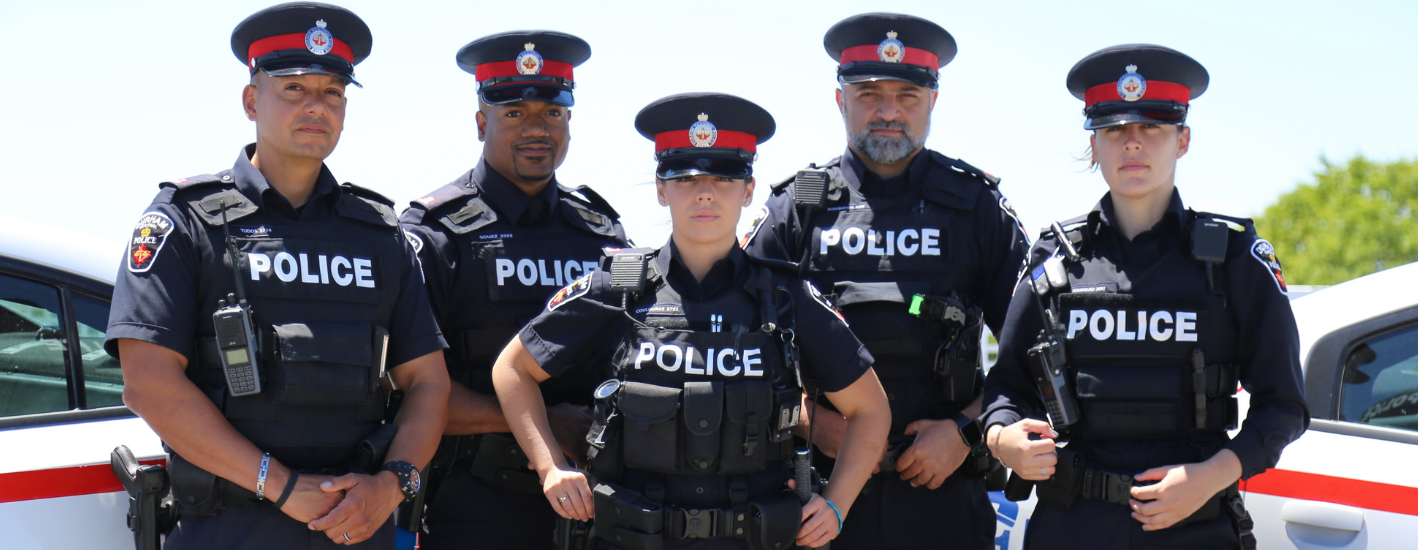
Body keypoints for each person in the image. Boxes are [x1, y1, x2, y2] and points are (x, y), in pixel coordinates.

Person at [105, 3, 450, 548]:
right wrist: (282, 486)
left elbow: (429, 382)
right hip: (230, 528)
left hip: (358, 527)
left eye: (332, 91)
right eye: (294, 88)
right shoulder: (185, 220)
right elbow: (148, 384)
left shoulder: (380, 235)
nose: (317, 106)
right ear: (251, 101)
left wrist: (393, 484)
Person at [492, 92, 892, 550]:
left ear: (748, 190)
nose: (704, 192)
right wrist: (550, 468)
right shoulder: (620, 288)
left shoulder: (786, 298)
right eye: (685, 177)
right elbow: (513, 369)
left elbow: (871, 409)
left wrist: (836, 505)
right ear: (662, 191)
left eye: (723, 177)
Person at [981, 44, 1309, 549]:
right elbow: (1006, 390)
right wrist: (1004, 441)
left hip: (1194, 528)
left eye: (1152, 127)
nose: (1132, 144)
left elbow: (1283, 406)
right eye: (1114, 130)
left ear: (1183, 140)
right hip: (1073, 527)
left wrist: (1213, 475)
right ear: (1094, 145)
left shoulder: (1234, 258)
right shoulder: (1055, 259)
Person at [740, 13, 1030, 550]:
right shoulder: (794, 212)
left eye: (908, 95)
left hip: (945, 502)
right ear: (839, 99)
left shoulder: (978, 210)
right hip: (817, 502)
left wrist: (966, 432)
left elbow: (1033, 351)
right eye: (869, 93)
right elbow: (732, 348)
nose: (889, 111)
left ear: (934, 101)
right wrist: (809, 420)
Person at [399, 30, 629, 550]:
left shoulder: (602, 234)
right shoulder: (435, 234)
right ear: (482, 122)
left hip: (597, 503)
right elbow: (407, 389)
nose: (536, 129)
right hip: (476, 504)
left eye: (552, 113)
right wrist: (544, 426)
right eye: (515, 113)